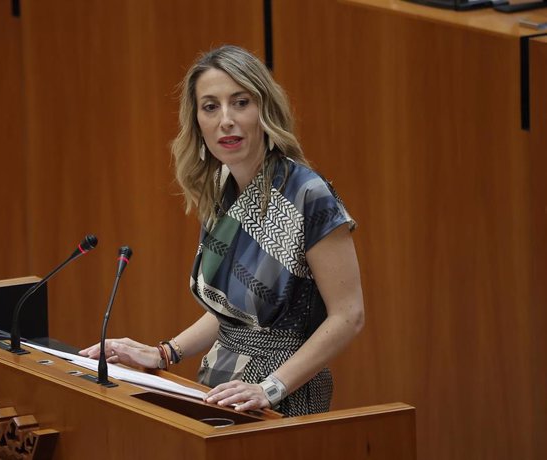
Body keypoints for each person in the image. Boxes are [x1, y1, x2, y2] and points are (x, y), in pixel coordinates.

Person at [80, 45, 364, 417]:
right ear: (197, 120)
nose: (225, 120)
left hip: (283, 392)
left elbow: (349, 315)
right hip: (223, 380)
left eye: (240, 102)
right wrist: (164, 353)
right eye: (210, 107)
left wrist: (270, 388)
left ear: (264, 109)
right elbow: (234, 312)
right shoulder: (223, 188)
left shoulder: (307, 195)